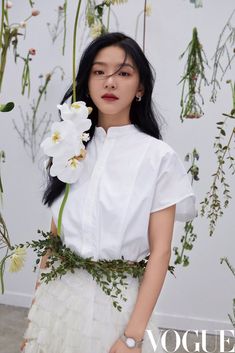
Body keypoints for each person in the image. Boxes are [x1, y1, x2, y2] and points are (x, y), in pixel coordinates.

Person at [21, 32, 197, 353]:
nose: (110, 82)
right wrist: (35, 320)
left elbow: (160, 252)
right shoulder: (69, 144)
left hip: (118, 309)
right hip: (58, 301)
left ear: (140, 87)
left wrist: (133, 336)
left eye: (124, 73)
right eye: (99, 72)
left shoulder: (158, 157)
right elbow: (55, 238)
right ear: (86, 82)